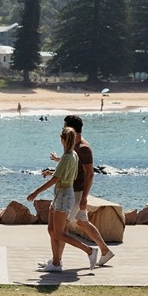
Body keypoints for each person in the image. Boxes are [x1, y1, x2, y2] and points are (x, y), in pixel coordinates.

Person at [42, 115, 114, 269]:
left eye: (64, 127)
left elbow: (89, 173)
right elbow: (70, 163)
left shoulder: (83, 148)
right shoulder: (73, 147)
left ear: (71, 129)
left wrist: (84, 198)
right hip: (71, 191)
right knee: (82, 222)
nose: (62, 131)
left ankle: (57, 261)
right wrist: (57, 163)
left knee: (61, 228)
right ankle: (105, 250)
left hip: (75, 193)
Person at [27, 127, 98, 272]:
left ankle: (90, 251)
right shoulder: (73, 155)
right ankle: (55, 262)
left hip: (64, 196)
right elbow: (70, 174)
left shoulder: (67, 157)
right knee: (51, 229)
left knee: (59, 233)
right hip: (61, 194)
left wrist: (36, 192)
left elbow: (56, 179)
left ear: (63, 139)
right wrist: (53, 172)